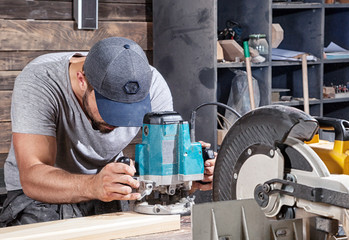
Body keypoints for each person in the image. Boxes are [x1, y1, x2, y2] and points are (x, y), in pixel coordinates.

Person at [0, 37, 215, 226]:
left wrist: (188, 173)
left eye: (129, 110)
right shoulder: (40, 80)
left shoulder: (152, 83)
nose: (119, 122)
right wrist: (93, 185)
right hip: (40, 196)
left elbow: (165, 155)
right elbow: (32, 176)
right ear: (82, 80)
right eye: (110, 109)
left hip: (108, 189)